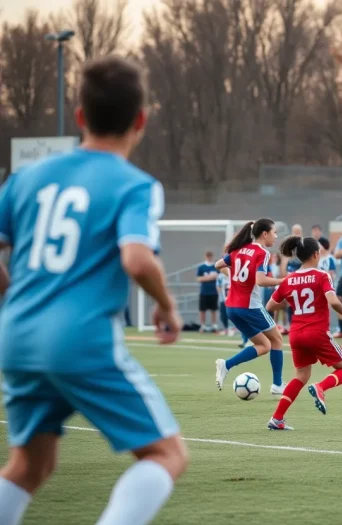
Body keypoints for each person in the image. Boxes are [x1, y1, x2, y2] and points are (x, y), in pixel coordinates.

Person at [0, 56, 187, 525]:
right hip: (80, 338)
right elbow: (137, 258)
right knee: (166, 454)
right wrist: (166, 307)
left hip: (17, 336)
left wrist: (12, 297)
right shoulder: (135, 185)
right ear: (141, 120)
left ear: (80, 116)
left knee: (29, 467)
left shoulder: (26, 178)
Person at [264, 236, 342, 431]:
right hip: (317, 332)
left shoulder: (288, 279)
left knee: (301, 375)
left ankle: (277, 418)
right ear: (316, 254)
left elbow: (270, 305)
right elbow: (332, 300)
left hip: (296, 334)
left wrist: (292, 300)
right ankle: (321, 387)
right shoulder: (322, 275)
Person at [213, 219, 285, 394]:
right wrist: (284, 281)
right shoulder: (262, 252)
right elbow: (261, 281)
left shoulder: (238, 250)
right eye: (274, 232)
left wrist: (234, 276)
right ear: (264, 234)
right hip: (249, 307)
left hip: (232, 307)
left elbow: (218, 265)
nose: (276, 236)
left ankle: (226, 365)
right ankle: (277, 385)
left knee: (264, 345)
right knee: (277, 340)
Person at [196, 251, 219, 332]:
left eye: (210, 256)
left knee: (214, 309)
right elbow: (199, 278)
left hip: (213, 291)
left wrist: (208, 278)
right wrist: (210, 277)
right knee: (202, 310)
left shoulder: (215, 266)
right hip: (204, 292)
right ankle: (202, 325)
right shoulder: (201, 267)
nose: (209, 257)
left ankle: (214, 325)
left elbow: (218, 277)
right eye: (208, 256)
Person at [216, 254, 233, 336]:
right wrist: (221, 295)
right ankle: (226, 328)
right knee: (223, 314)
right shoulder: (220, 276)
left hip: (232, 298)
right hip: (224, 298)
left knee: (232, 314)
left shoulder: (234, 272)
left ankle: (232, 328)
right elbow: (218, 286)